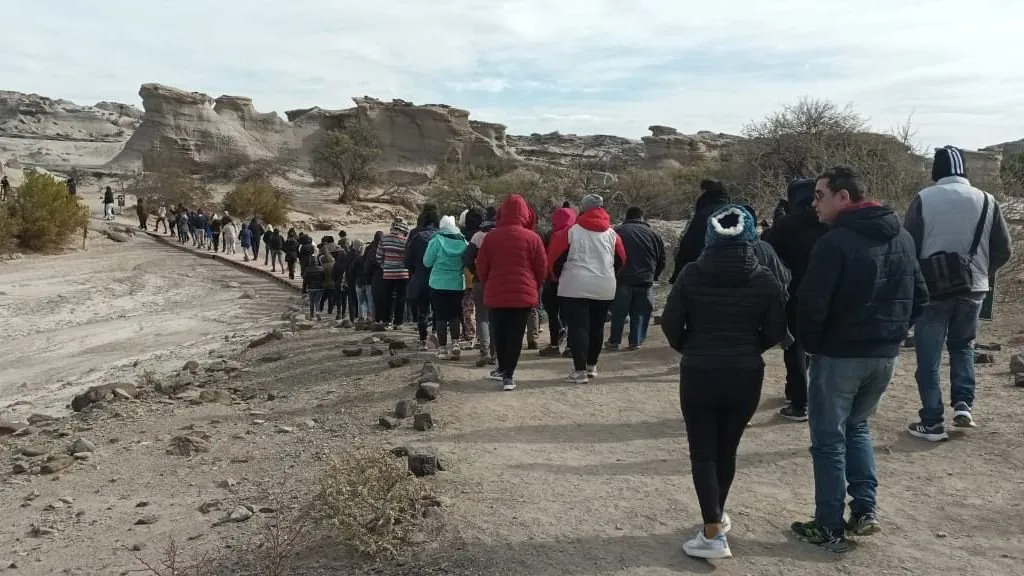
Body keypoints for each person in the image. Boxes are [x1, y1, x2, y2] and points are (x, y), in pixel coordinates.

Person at [790, 166, 928, 552]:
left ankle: (829, 524)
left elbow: (812, 302)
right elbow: (921, 295)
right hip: (884, 355)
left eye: (819, 195)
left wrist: (812, 345)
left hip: (840, 355)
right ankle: (865, 511)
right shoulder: (901, 237)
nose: (813, 203)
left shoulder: (835, 243)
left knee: (829, 440)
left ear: (843, 197)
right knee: (858, 428)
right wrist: (895, 331)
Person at [661, 204, 788, 559]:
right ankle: (715, 517)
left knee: (703, 452)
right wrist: (750, 346)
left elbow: (672, 324)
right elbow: (776, 330)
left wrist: (691, 347)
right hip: (746, 371)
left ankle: (713, 529)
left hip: (700, 369)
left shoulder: (691, 273)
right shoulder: (764, 278)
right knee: (726, 448)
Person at [903, 146, 1013, 439]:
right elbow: (1004, 250)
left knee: (929, 357)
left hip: (932, 290)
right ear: (964, 169)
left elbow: (908, 246)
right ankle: (963, 404)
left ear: (935, 171)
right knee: (963, 346)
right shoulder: (988, 201)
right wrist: (979, 271)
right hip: (974, 288)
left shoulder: (924, 199)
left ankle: (932, 420)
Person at [762, 178, 829, 422]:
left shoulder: (786, 225)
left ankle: (798, 401)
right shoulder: (829, 221)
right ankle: (818, 397)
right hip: (828, 293)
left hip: (794, 293)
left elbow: (768, 253)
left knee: (795, 348)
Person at [548, 193, 626, 384]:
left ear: (583, 210)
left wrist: (557, 277)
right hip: (604, 285)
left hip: (575, 284)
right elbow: (621, 259)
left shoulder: (572, 231)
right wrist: (608, 274)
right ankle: (592, 366)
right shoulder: (612, 234)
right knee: (597, 327)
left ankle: (580, 370)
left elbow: (555, 260)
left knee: (578, 327)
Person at [476, 195, 547, 391]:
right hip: (523, 294)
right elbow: (542, 268)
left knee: (499, 331)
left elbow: (481, 266)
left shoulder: (491, 236)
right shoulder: (533, 238)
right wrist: (534, 284)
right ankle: (509, 375)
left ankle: (501, 368)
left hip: (497, 292)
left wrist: (488, 282)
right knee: (516, 334)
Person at [607, 206, 666, 351]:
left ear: (627, 217)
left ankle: (614, 341)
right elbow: (662, 260)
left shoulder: (617, 232)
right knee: (640, 313)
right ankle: (636, 341)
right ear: (642, 218)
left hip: (622, 279)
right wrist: (654, 275)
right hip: (645, 280)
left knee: (618, 313)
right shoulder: (653, 235)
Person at [424, 215, 469, 359]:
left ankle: (442, 349)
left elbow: (427, 262)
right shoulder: (463, 241)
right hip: (456, 283)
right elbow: (467, 260)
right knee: (455, 315)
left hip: (438, 283)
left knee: (441, 316)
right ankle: (455, 343)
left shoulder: (436, 241)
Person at [669, 180, 730, 283]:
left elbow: (689, 246)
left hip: (704, 272)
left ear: (706, 192)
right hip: (733, 272)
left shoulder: (703, 215)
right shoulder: (736, 213)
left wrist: (677, 276)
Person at [539, 203, 577, 357]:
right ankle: (570, 346)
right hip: (571, 280)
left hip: (551, 280)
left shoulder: (550, 234)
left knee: (553, 313)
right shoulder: (577, 234)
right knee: (571, 314)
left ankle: (554, 344)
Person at [464, 207, 497, 366]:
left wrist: (475, 271)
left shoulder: (477, 236)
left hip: (480, 281)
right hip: (499, 280)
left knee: (482, 317)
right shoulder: (502, 235)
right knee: (496, 318)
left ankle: (484, 352)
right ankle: (495, 353)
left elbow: (467, 258)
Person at [406, 205, 441, 349]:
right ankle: (437, 336)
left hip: (420, 277)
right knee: (438, 310)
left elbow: (407, 261)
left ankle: (422, 340)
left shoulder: (415, 235)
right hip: (438, 278)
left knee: (423, 311)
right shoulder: (442, 235)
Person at [377, 219, 410, 328]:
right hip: (402, 273)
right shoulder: (405, 241)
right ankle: (398, 322)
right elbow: (409, 257)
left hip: (388, 274)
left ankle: (387, 321)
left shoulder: (384, 239)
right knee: (401, 298)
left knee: (387, 298)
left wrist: (385, 267)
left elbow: (378, 257)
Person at [364, 231, 384, 321]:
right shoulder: (385, 249)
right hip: (387, 276)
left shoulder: (371, 251)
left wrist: (368, 279)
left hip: (375, 278)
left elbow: (367, 268)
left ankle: (377, 319)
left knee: (376, 300)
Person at [304, 255, 327, 321]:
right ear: (317, 262)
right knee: (317, 301)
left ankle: (311, 315)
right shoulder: (321, 269)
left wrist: (304, 288)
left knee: (311, 301)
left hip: (311, 288)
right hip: (319, 287)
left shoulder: (307, 269)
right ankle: (318, 313)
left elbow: (305, 280)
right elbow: (323, 278)